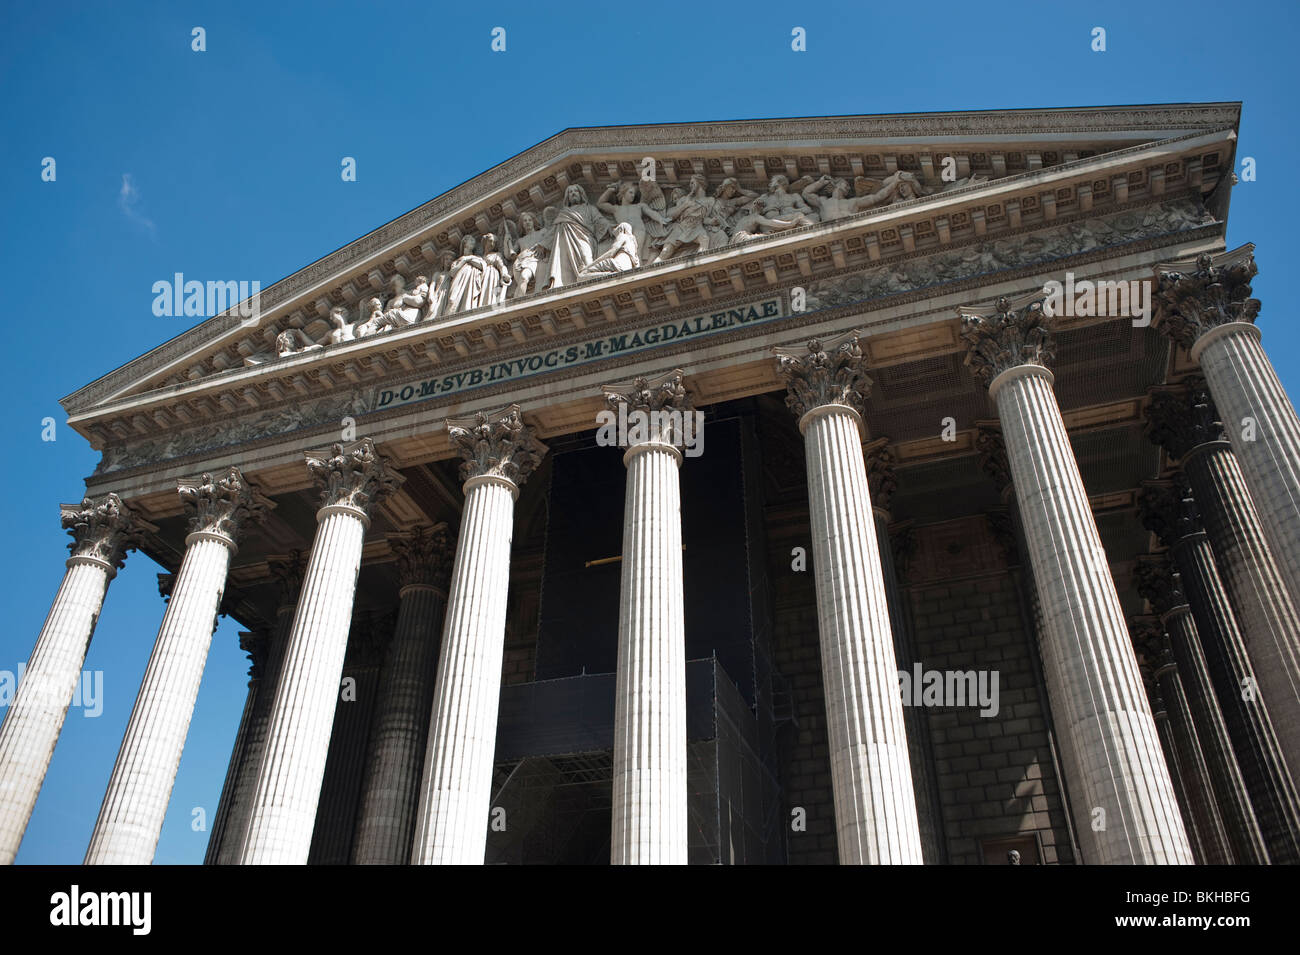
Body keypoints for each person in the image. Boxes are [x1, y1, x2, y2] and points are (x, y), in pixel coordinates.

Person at [548, 184, 610, 288]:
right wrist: (540, 245)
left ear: (581, 194)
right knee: (565, 265)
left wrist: (611, 228)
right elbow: (552, 233)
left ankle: (589, 278)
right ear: (568, 197)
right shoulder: (564, 213)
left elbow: (600, 220)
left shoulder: (589, 208)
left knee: (586, 257)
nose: (573, 194)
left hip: (586, 238)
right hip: (567, 243)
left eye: (575, 191)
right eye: (570, 192)